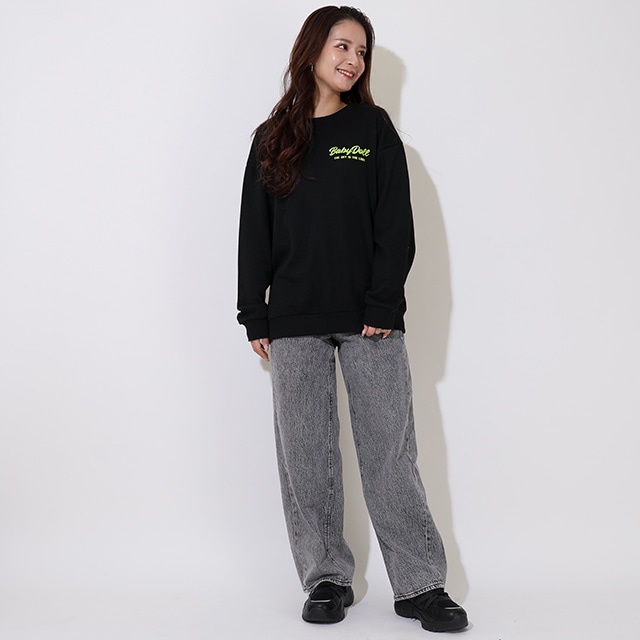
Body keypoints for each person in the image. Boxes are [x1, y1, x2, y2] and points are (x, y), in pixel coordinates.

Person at [236, 5, 468, 633]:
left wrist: (383, 301)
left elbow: (395, 221)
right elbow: (254, 231)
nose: (353, 60)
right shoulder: (271, 136)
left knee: (389, 453)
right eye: (343, 46)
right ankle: (326, 578)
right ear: (312, 48)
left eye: (361, 51)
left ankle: (420, 586)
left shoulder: (371, 127)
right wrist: (253, 311)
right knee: (306, 457)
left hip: (371, 318)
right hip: (293, 317)